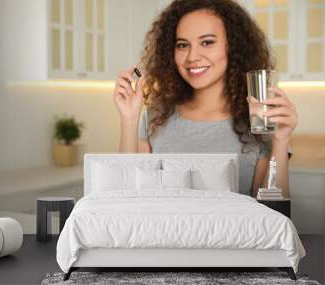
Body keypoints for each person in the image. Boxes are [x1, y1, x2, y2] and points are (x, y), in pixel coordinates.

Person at [113, 0, 298, 198]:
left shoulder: (261, 120)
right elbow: (129, 196)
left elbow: (273, 215)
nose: (192, 56)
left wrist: (280, 141)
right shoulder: (156, 115)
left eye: (207, 42)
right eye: (182, 45)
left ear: (233, 46)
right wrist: (129, 120)